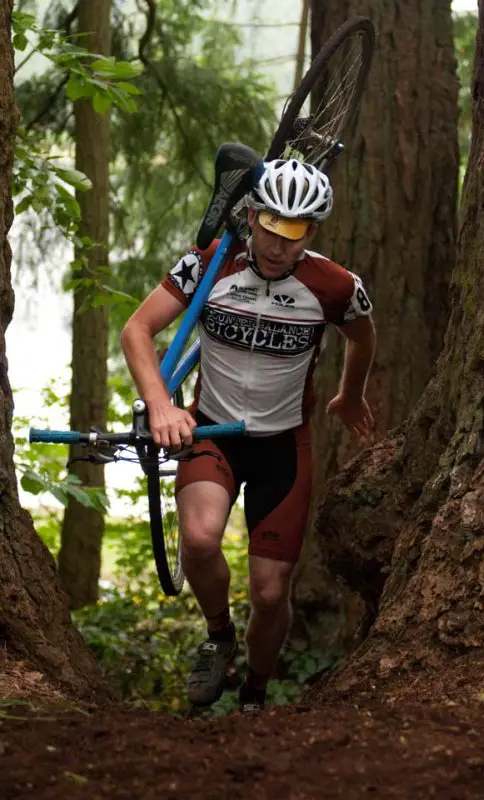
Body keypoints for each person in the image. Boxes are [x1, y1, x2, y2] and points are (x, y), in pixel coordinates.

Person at [120, 158, 376, 714]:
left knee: (269, 591)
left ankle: (255, 693)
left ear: (312, 231)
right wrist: (161, 405)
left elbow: (363, 337)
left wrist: (351, 394)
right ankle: (218, 636)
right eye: (268, 227)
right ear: (252, 214)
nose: (278, 246)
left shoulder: (334, 286)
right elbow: (137, 328)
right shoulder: (211, 263)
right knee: (202, 539)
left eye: (295, 233)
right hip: (212, 430)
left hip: (283, 446)